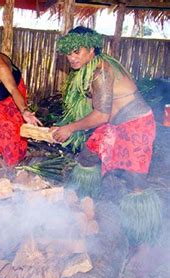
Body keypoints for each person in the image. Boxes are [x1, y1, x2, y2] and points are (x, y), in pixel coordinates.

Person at [52, 26, 161, 245]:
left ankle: (144, 237)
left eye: (77, 52)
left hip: (136, 125)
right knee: (87, 156)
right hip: (114, 123)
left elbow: (100, 115)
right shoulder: (92, 65)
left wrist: (71, 128)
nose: (71, 58)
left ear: (91, 49)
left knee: (135, 182)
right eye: (69, 52)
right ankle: (85, 204)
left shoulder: (100, 72)